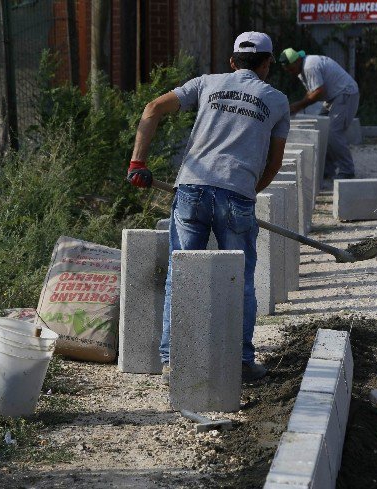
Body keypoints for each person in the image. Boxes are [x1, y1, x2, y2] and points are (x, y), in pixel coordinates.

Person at [127, 32, 290, 383]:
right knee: (241, 280)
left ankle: (173, 360)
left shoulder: (206, 84)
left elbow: (152, 108)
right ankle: (243, 362)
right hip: (238, 196)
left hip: (191, 191)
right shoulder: (276, 101)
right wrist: (246, 191)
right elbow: (273, 165)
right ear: (266, 65)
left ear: (232, 61)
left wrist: (137, 163)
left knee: (181, 273)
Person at [279, 48, 359, 180]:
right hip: (333, 97)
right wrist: (299, 106)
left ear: (297, 60)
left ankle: (347, 170)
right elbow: (311, 91)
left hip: (345, 94)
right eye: (287, 70)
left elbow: (319, 92)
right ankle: (327, 170)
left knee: (333, 132)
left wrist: (297, 106)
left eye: (290, 68)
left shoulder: (310, 66)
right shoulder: (302, 70)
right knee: (322, 130)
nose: (289, 72)